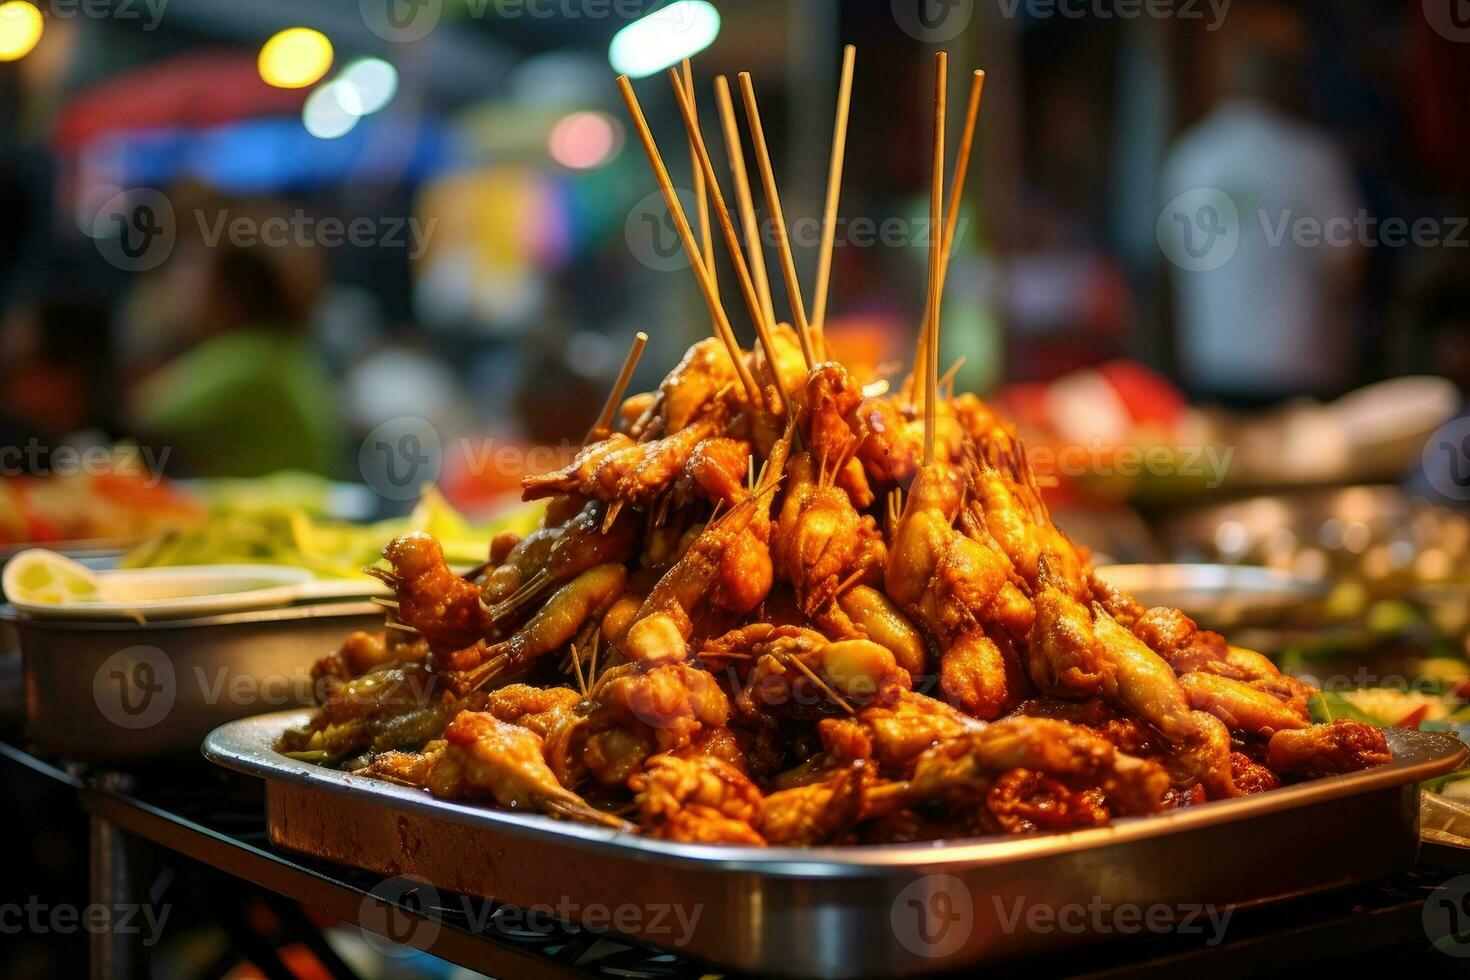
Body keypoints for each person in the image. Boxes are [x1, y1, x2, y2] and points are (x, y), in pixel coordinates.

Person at [1160, 1, 1363, 405]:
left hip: (1213, 370)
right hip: (1304, 371)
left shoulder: (1190, 157)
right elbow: (1347, 267)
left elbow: (1175, 267)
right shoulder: (1315, 159)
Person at [129, 244, 344, 477]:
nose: (173, 292)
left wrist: (148, 324)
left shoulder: (248, 357)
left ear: (229, 297)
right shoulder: (280, 347)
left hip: (281, 508)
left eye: (190, 282)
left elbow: (141, 413)